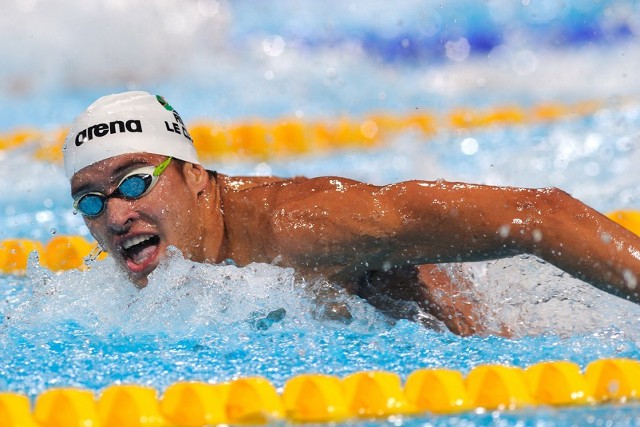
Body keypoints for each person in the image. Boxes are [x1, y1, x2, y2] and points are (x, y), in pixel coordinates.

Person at [63, 91, 640, 336]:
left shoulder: (301, 224)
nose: (115, 217)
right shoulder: (151, 283)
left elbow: (538, 213)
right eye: (90, 200)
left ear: (193, 174)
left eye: (134, 182)